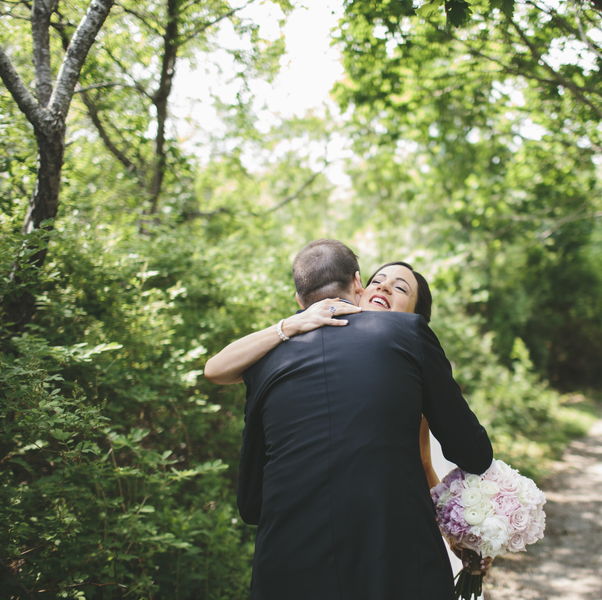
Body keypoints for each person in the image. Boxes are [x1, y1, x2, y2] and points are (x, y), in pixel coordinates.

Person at [208, 239, 494, 599]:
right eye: (378, 281)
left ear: (300, 298)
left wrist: (458, 529)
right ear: (358, 285)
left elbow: (252, 500)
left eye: (400, 287)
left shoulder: (268, 362)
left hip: (287, 561)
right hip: (393, 561)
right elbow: (472, 453)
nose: (384, 288)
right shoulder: (408, 337)